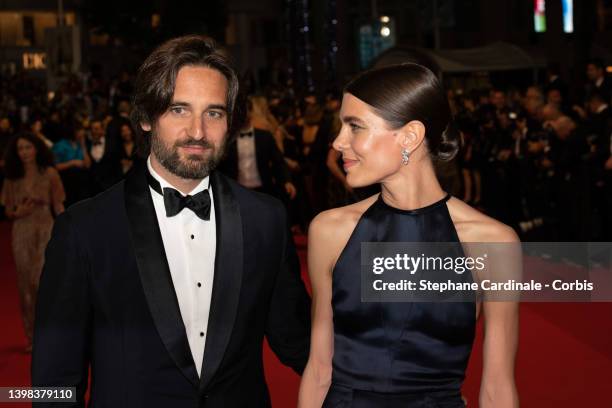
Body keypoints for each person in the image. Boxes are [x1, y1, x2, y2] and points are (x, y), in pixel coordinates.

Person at [32, 35, 311, 407]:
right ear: (146, 117)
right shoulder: (84, 229)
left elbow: (299, 340)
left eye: (213, 113)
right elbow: (54, 380)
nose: (197, 132)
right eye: (179, 109)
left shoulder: (265, 219)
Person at [298, 64, 519, 408]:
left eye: (354, 126)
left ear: (410, 136)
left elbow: (497, 388)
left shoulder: (492, 242)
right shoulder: (330, 230)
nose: (338, 141)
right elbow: (319, 369)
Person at [1, 133, 65, 352]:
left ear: (37, 148)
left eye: (28, 147)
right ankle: (33, 337)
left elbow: (58, 206)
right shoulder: (12, 178)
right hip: (21, 231)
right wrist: (19, 212)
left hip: (46, 228)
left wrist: (67, 229)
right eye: (20, 149)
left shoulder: (50, 174)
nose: (25, 153)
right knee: (25, 285)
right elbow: (8, 210)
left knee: (42, 282)